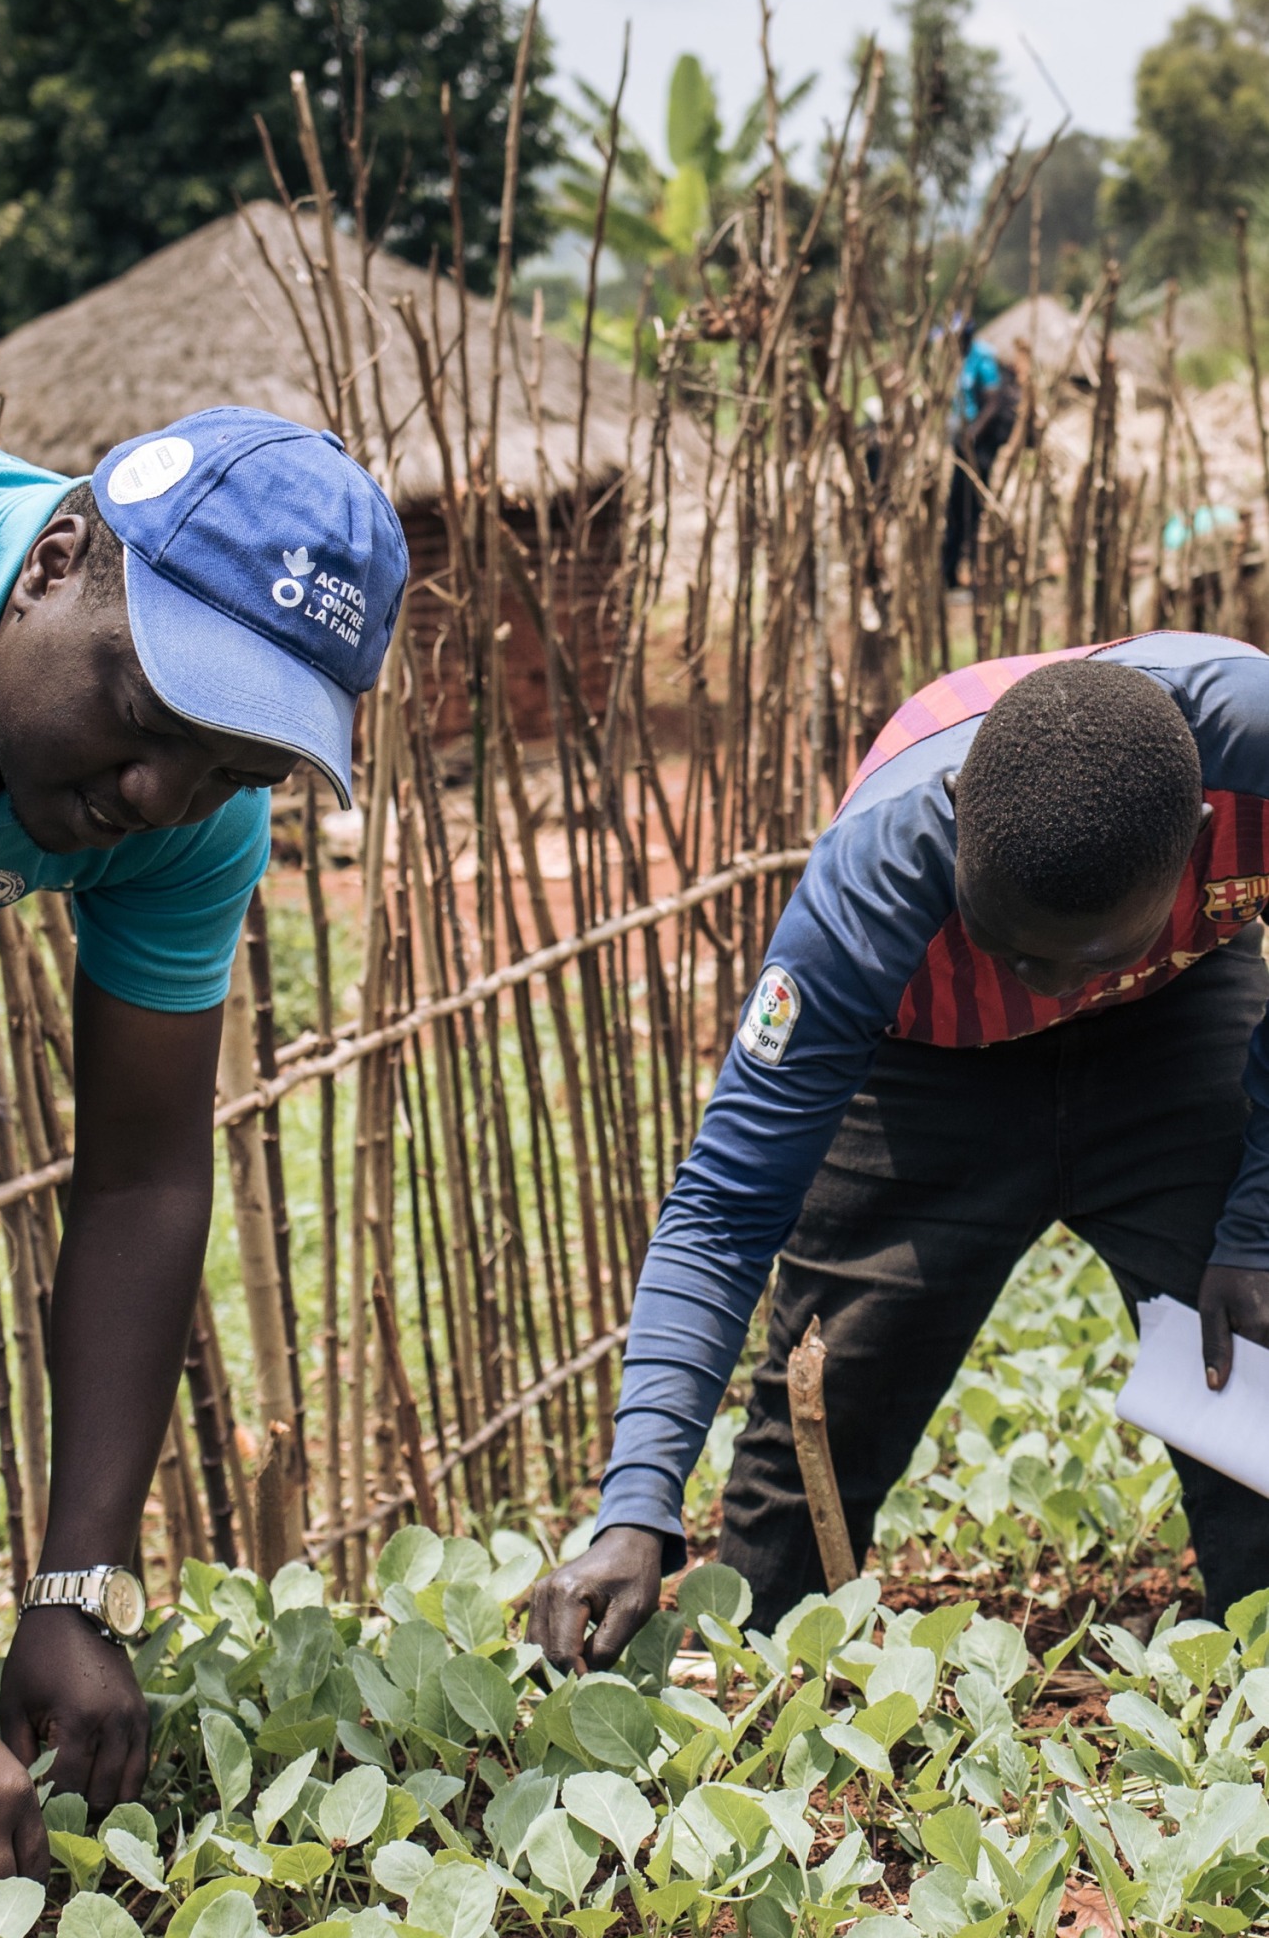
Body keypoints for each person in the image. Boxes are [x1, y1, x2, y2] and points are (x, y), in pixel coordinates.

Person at [0, 406, 406, 1895]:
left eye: (228, 772)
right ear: (57, 560)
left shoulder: (182, 808)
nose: (151, 801)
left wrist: (75, 1587)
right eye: (143, 716)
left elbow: (143, 1174)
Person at [530, 635, 1269, 1672]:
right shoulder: (869, 882)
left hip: (1173, 1013)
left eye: (1078, 957)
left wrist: (1256, 1221)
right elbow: (725, 1208)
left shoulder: (1256, 752)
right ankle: (766, 1687)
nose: (1044, 989)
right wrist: (637, 1501)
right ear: (961, 814)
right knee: (820, 1424)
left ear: (1193, 843)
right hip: (927, 1060)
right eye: (1009, 947)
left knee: (1251, 1357)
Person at [942, 320, 1016, 591]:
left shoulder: (982, 358)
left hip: (979, 448)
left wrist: (973, 434)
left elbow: (993, 401)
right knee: (955, 508)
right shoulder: (956, 360)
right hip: (961, 444)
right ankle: (950, 574)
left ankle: (975, 574)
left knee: (973, 510)